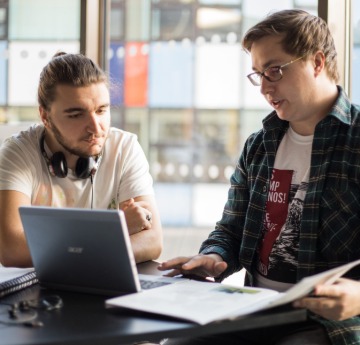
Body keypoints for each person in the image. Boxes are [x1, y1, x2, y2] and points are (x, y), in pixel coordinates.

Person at [155, 9, 360, 345]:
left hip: (331, 321)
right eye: (258, 75)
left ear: (317, 63)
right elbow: (231, 229)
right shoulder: (259, 146)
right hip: (258, 308)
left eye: (274, 71)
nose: (264, 87)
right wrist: (215, 257)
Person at [0, 52, 162, 268]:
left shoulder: (125, 148)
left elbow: (152, 241)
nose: (96, 128)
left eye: (101, 110)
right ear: (45, 116)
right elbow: (11, 250)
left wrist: (71, 249)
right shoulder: (17, 153)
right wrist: (114, 230)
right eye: (77, 115)